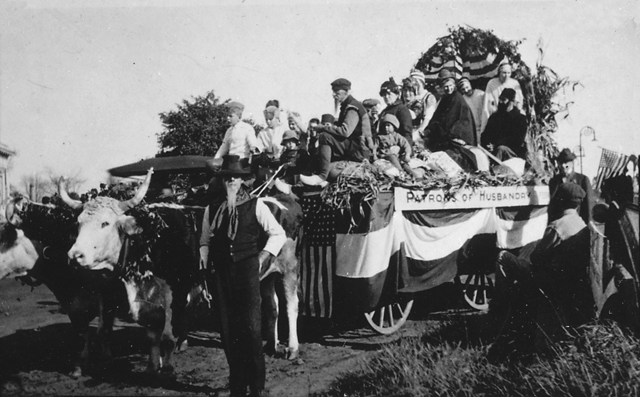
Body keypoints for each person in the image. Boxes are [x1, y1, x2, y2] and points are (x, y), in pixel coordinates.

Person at [199, 155, 286, 397]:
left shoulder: (255, 205)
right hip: (221, 274)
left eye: (235, 177)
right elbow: (205, 241)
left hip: (247, 272)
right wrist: (206, 267)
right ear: (222, 180)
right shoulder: (212, 209)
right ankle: (237, 384)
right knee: (227, 331)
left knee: (251, 328)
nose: (231, 182)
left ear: (243, 180)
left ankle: (256, 386)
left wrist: (262, 257)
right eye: (227, 178)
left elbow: (277, 234)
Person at [493, 182, 593, 350]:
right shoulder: (581, 225)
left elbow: (536, 256)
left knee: (502, 257)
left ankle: (500, 306)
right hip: (571, 283)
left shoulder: (558, 226)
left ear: (559, 201)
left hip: (549, 281)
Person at [300, 78, 371, 186]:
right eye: (333, 92)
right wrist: (332, 127)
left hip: (359, 150)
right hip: (354, 146)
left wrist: (324, 128)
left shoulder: (352, 107)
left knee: (325, 137)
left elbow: (345, 131)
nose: (334, 95)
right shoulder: (347, 105)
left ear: (346, 92)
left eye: (337, 92)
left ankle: (322, 176)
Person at [423, 69, 476, 151]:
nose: (449, 88)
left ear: (454, 85)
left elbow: (448, 121)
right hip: (449, 134)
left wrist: (433, 130)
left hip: (460, 137)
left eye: (450, 85)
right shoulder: (446, 98)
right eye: (446, 87)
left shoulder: (456, 98)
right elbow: (436, 116)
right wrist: (428, 129)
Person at [549, 148, 594, 225]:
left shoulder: (582, 180)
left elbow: (588, 204)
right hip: (559, 224)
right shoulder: (554, 181)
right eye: (561, 162)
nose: (563, 165)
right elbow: (551, 206)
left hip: (577, 223)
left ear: (572, 163)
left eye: (566, 162)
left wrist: (589, 221)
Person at [480, 88, 528, 160]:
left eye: (504, 100)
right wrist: (488, 144)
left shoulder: (520, 119)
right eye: (500, 99)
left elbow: (517, 140)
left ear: (511, 102)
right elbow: (485, 134)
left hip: (512, 152)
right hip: (493, 148)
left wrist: (496, 145)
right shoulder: (494, 117)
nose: (501, 102)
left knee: (501, 149)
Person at [480, 61, 524, 133]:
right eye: (504, 73)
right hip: (496, 113)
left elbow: (518, 101)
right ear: (499, 72)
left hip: (510, 114)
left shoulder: (514, 83)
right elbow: (487, 101)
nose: (506, 75)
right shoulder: (492, 83)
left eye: (508, 73)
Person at [213, 101, 260, 168]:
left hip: (242, 160)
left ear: (238, 116)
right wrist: (215, 160)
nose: (228, 118)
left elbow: (253, 145)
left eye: (230, 116)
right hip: (230, 160)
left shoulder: (247, 128)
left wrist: (253, 151)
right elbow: (223, 147)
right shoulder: (229, 131)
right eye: (227, 116)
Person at [378, 77, 414, 147]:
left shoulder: (402, 109)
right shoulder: (384, 111)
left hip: (397, 148)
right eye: (384, 94)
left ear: (397, 94)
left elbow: (407, 134)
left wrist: (404, 150)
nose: (386, 97)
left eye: (389, 94)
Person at [409, 69, 438, 139]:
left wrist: (419, 131)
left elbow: (428, 118)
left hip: (422, 132)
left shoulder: (429, 97)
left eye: (415, 83)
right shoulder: (411, 97)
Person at [457, 76, 484, 143]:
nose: (466, 90)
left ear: (470, 85)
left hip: (484, 126)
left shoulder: (480, 94)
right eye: (463, 89)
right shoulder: (462, 99)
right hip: (473, 129)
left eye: (467, 87)